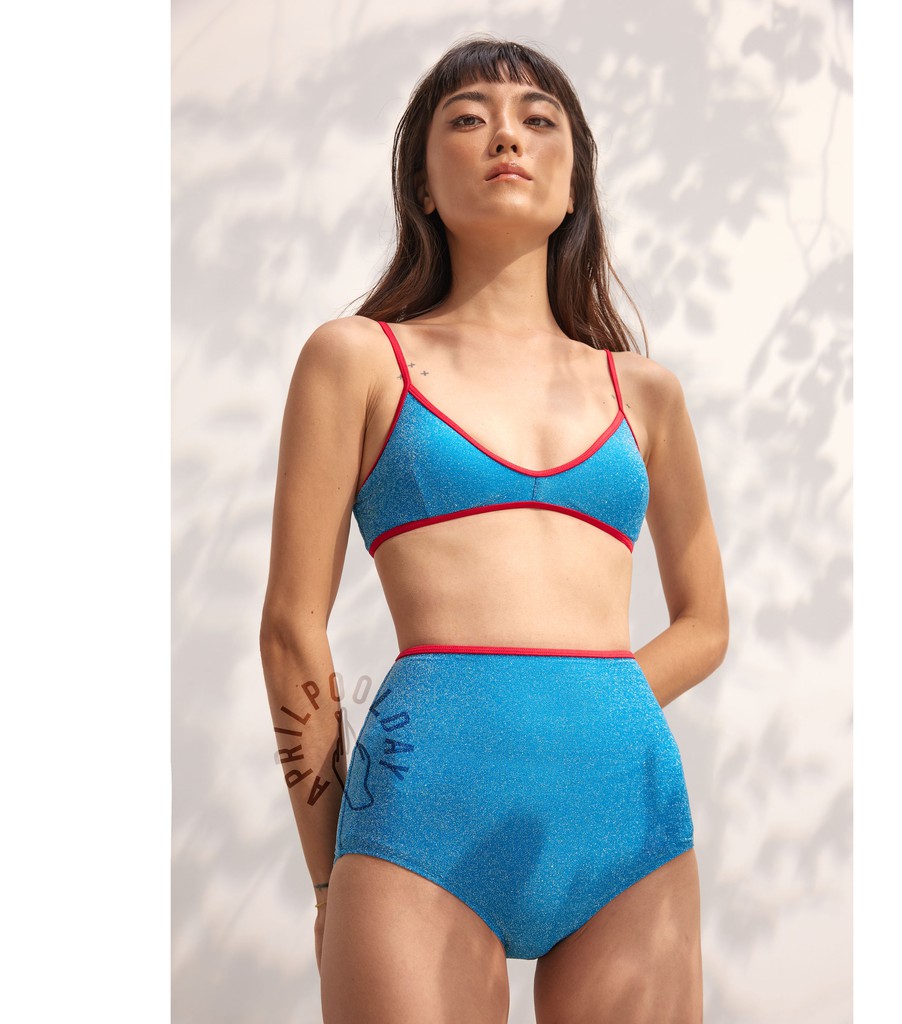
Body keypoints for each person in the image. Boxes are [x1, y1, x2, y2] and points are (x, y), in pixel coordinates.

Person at [260, 35, 728, 1024]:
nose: (505, 136)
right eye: (468, 119)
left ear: (574, 183)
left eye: (538, 120)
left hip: (630, 813)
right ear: (421, 184)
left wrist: (585, 704)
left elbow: (706, 623)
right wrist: (327, 874)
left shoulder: (645, 393)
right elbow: (291, 628)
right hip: (420, 816)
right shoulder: (357, 359)